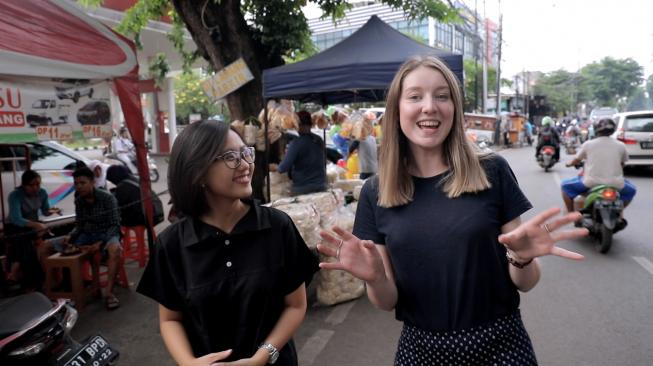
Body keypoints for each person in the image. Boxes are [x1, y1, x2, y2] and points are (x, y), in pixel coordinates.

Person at [316, 55, 588, 365]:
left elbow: (524, 282)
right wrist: (376, 278)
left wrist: (522, 258)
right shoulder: (375, 192)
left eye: (442, 96)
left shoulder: (493, 171)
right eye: (415, 96)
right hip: (420, 351)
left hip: (501, 346)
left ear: (454, 109)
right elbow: (387, 300)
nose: (429, 106)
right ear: (397, 111)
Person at [136, 120, 319, 365]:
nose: (245, 165)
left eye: (246, 153)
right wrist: (189, 363)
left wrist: (262, 357)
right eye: (231, 156)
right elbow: (170, 319)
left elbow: (296, 306)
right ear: (197, 170)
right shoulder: (172, 244)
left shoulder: (278, 227)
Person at [62, 166, 122, 310]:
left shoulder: (107, 198)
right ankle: (72, 293)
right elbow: (80, 224)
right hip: (87, 234)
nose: (79, 187)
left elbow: (115, 224)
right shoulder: (78, 200)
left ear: (92, 182)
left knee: (115, 250)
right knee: (56, 248)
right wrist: (71, 235)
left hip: (107, 234)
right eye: (76, 184)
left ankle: (109, 293)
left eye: (82, 183)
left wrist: (100, 243)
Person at [561, 118, 636, 223]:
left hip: (591, 183)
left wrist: (568, 164)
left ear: (596, 130)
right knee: (632, 190)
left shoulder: (588, 144)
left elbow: (576, 160)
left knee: (564, 186)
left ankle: (571, 214)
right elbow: (622, 163)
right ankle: (619, 211)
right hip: (616, 184)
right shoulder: (621, 145)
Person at [4, 170, 61, 289]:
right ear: (24, 185)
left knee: (50, 239)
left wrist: (54, 211)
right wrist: (35, 225)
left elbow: (45, 211)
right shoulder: (15, 195)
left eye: (38, 184)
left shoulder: (42, 193)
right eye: (31, 185)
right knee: (25, 243)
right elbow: (16, 218)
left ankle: (16, 274)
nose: (35, 188)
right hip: (15, 226)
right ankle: (35, 280)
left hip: (33, 225)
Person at [276, 110, 327, 195]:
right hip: (321, 185)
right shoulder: (319, 140)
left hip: (303, 189)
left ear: (297, 124)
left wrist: (274, 167)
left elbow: (283, 168)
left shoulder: (296, 143)